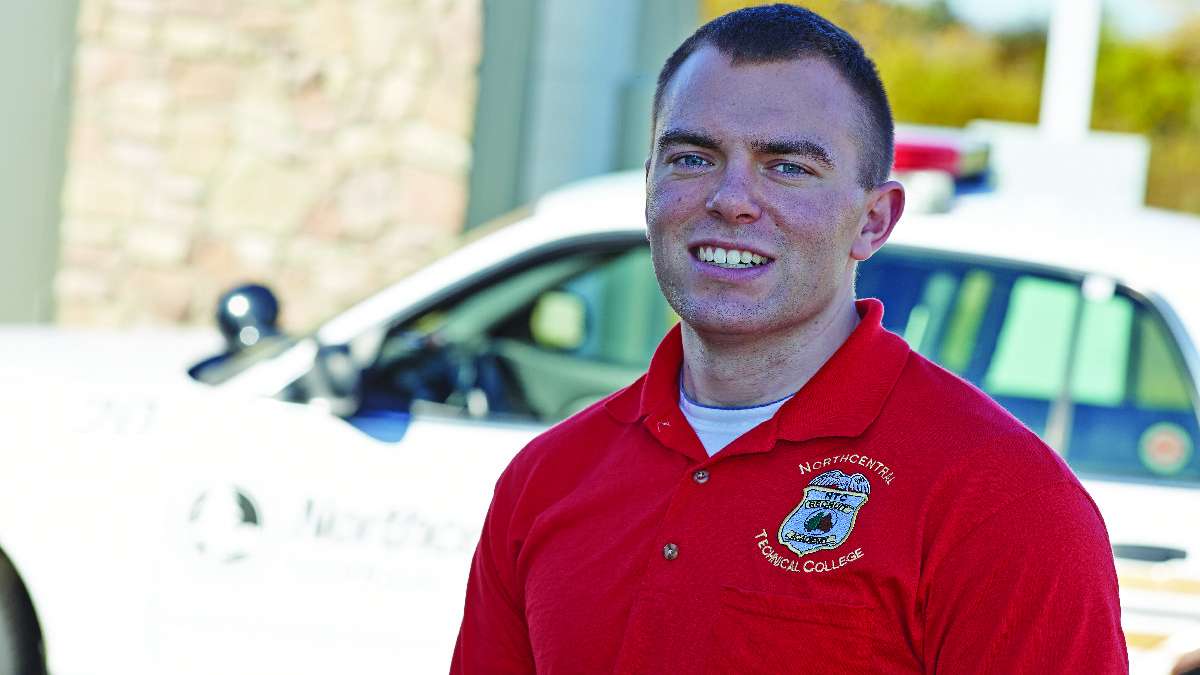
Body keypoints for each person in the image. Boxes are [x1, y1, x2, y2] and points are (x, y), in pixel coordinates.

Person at [452, 4, 1128, 673]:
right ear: (651, 183)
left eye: (788, 167)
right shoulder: (545, 479)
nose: (731, 198)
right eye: (692, 156)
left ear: (873, 221)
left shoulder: (1004, 501)